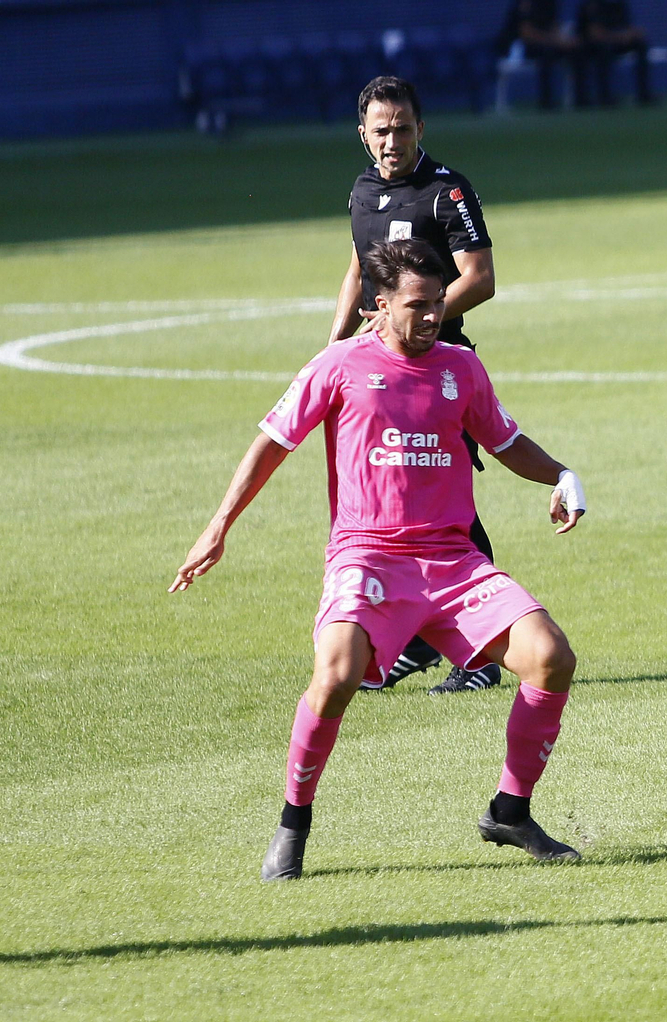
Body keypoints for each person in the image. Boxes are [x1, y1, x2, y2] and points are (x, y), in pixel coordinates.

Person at [171, 239, 589, 880]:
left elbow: (505, 441)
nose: (432, 315)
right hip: (367, 558)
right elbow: (272, 443)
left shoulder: (461, 369)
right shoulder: (337, 366)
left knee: (552, 657)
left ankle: (510, 809)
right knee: (336, 674)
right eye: (418, 305)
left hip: (453, 561)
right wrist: (218, 527)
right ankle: (293, 824)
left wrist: (561, 474)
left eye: (438, 302)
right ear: (380, 304)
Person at [332, 76, 502, 693]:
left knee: (447, 504)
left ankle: (479, 651)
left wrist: (419, 322)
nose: (392, 140)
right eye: (381, 130)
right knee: (400, 498)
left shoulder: (445, 191)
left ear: (420, 128)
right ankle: (421, 639)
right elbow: (359, 266)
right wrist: (336, 350)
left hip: (439, 370)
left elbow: (479, 278)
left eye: (403, 127)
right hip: (379, 373)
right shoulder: (361, 192)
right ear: (363, 134)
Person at [494, 0, 589, 110]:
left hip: (547, 44)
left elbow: (553, 27)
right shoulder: (524, 4)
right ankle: (546, 102)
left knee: (576, 52)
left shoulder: (550, 4)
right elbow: (527, 34)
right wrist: (555, 41)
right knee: (546, 53)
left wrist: (564, 41)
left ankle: (580, 99)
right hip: (521, 48)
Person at [575, 0, 655, 107]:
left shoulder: (619, 4)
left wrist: (632, 34)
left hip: (614, 42)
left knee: (641, 44)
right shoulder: (591, 5)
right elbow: (595, 34)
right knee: (603, 49)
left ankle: (643, 94)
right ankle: (604, 97)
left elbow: (626, 27)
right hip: (592, 46)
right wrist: (617, 37)